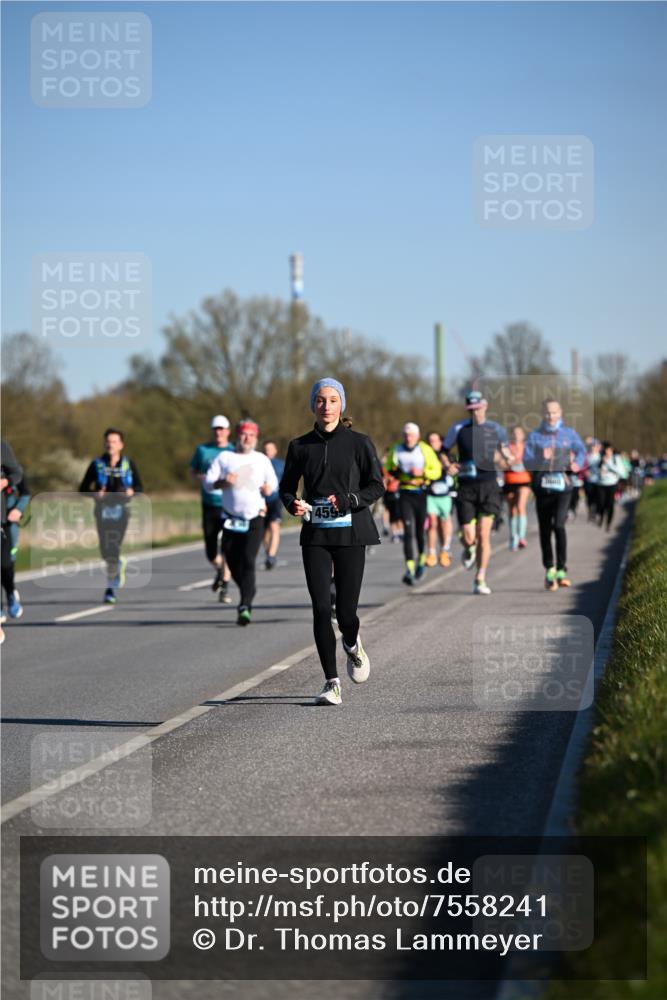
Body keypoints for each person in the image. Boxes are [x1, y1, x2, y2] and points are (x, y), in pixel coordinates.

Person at [279, 378, 384, 706]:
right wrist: (292, 504)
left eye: (333, 400)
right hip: (317, 534)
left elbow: (376, 486)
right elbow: (285, 487)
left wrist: (349, 500)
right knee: (322, 608)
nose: (326, 406)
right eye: (321, 400)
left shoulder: (359, 443)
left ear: (342, 406)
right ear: (313, 405)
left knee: (346, 612)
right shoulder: (299, 447)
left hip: (352, 532)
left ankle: (353, 646)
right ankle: (331, 682)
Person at [204, 419, 278, 625]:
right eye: (244, 434)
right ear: (237, 436)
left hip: (254, 519)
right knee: (233, 563)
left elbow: (273, 482)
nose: (247, 438)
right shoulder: (225, 457)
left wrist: (268, 489)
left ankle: (245, 604)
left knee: (248, 560)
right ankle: (248, 589)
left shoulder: (261, 459)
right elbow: (209, 483)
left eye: (251, 435)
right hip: (229, 519)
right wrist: (223, 482)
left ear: (256, 438)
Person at [443, 390, 511, 595]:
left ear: (485, 406)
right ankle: (469, 547)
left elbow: (505, 456)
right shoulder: (459, 428)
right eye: (471, 410)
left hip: (489, 486)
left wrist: (505, 459)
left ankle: (480, 577)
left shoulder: (496, 429)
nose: (476, 413)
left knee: (483, 533)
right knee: (469, 535)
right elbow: (444, 451)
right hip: (466, 487)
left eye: (478, 408)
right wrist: (449, 465)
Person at [524, 399, 586, 591]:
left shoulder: (569, 434)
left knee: (559, 525)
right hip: (543, 488)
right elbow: (526, 461)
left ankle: (561, 569)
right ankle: (549, 568)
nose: (551, 416)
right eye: (547, 413)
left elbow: (581, 451)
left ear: (561, 413)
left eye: (554, 412)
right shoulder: (535, 436)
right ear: (542, 414)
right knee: (545, 529)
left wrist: (577, 464)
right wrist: (540, 457)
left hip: (563, 487)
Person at [79, 429, 143, 604]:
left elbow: (139, 487)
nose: (110, 444)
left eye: (114, 441)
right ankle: (115, 571)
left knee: (113, 546)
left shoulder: (128, 464)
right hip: (102, 511)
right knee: (105, 551)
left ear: (121, 444)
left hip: (122, 511)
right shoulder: (96, 464)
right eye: (108, 441)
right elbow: (82, 488)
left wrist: (131, 492)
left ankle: (110, 589)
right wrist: (95, 494)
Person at [385, 424, 442, 585]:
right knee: (408, 532)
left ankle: (421, 560)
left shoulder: (424, 449)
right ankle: (409, 568)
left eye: (411, 435)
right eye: (406, 435)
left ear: (417, 436)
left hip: (421, 493)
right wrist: (394, 472)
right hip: (405, 493)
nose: (408, 438)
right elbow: (388, 468)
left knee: (419, 532)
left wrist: (423, 473)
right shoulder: (396, 449)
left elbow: (436, 470)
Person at [190, 415, 235, 603]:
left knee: (228, 547)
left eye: (222, 429)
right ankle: (219, 570)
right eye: (215, 429)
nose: (219, 432)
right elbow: (193, 470)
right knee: (210, 550)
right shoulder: (203, 450)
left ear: (228, 431)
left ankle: (225, 585)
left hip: (230, 505)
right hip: (209, 504)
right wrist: (200, 477)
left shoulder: (235, 450)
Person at [1, 439, 28, 624]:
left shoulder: (3, 450)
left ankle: (10, 592)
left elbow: (25, 490)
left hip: (6, 521)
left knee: (5, 563)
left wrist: (17, 509)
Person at [425, 431, 455, 567]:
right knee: (432, 523)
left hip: (446, 495)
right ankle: (431, 553)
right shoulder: (425, 456)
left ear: (441, 442)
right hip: (430, 494)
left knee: (445, 522)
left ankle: (444, 550)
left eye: (435, 441)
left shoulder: (448, 456)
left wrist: (447, 465)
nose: (433, 443)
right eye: (430, 441)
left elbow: (454, 471)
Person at [503, 425, 532, 550]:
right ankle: (513, 536)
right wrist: (507, 462)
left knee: (520, 506)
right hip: (509, 479)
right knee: (512, 509)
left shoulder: (527, 447)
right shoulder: (507, 447)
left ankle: (521, 536)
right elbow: (501, 462)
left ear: (523, 435)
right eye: (514, 433)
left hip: (524, 480)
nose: (516, 435)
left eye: (519, 433)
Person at [261, 440, 285, 570]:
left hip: (276, 499)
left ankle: (271, 555)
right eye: (265, 450)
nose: (267, 452)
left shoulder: (281, 465)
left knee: (274, 525)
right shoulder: (258, 463)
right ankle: (269, 552)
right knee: (263, 532)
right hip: (261, 500)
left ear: (275, 451)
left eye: (270, 449)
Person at [596, 442, 627, 531]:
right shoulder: (600, 457)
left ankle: (608, 523)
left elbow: (621, 472)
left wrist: (609, 465)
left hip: (612, 484)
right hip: (601, 484)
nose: (607, 452)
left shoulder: (616, 459)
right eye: (605, 450)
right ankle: (601, 517)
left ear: (612, 450)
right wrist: (599, 472)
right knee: (601, 503)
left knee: (610, 505)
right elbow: (595, 469)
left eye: (609, 450)